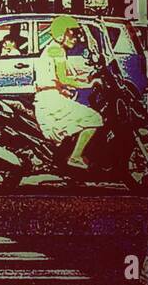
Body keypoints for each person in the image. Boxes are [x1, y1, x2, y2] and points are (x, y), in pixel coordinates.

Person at [34, 15, 103, 170]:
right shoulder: (56, 50)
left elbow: (58, 78)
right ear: (61, 33)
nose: (76, 38)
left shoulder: (54, 49)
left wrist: (85, 78)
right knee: (94, 118)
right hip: (50, 101)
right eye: (72, 33)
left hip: (50, 97)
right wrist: (89, 84)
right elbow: (64, 78)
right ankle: (75, 156)